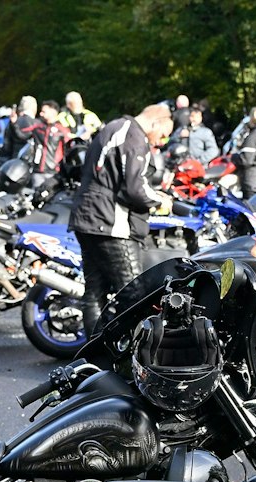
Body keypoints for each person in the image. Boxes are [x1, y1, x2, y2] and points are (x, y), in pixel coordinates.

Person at [70, 104, 171, 336]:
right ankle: (127, 355)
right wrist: (160, 200)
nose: (161, 142)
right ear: (155, 122)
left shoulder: (112, 127)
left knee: (95, 290)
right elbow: (135, 188)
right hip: (110, 223)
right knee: (133, 292)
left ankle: (93, 353)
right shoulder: (134, 136)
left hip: (86, 217)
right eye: (163, 135)